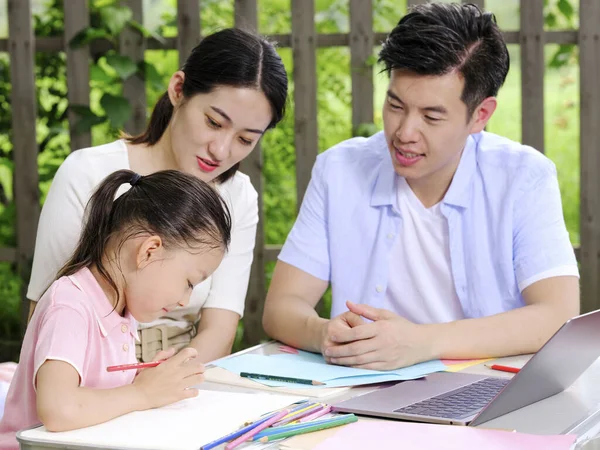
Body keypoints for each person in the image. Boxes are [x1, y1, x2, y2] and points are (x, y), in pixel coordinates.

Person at [262, 2, 580, 370]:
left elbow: (558, 313)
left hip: (485, 390)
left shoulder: (523, 177)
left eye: (431, 116)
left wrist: (422, 342)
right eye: (395, 105)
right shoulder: (340, 170)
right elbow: (281, 307)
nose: (404, 133)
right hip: (364, 391)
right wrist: (323, 334)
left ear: (480, 115)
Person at [27, 28, 288, 363]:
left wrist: (170, 377)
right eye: (213, 122)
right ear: (178, 90)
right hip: (87, 374)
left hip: (184, 374)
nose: (221, 150)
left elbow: (220, 331)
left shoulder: (237, 196)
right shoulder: (88, 172)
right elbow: (43, 316)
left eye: (246, 139)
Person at [0, 169, 232, 449]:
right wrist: (142, 393)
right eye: (189, 282)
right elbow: (58, 409)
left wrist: (145, 380)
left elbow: (94, 392)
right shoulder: (71, 304)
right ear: (149, 251)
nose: (185, 300)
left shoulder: (121, 310)